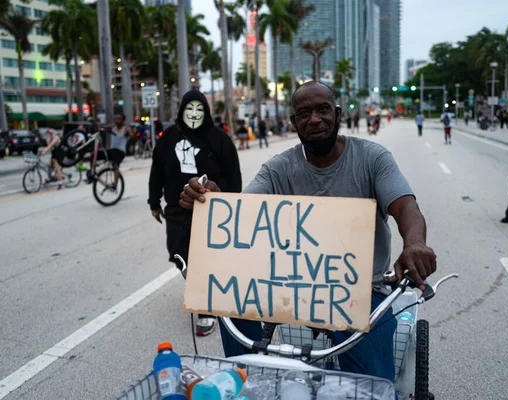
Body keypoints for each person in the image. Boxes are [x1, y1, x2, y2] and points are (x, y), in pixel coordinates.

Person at [179, 81, 437, 382]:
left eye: (323, 110)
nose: (314, 119)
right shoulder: (278, 169)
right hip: (293, 286)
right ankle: (246, 379)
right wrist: (214, 202)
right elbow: (243, 211)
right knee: (232, 304)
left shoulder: (372, 158)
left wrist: (415, 243)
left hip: (362, 290)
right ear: (294, 122)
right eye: (304, 113)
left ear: (337, 114)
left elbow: (406, 207)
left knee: (367, 373)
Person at [148, 89, 242, 336]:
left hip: (212, 211)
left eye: (199, 109)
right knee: (180, 255)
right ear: (182, 111)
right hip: (177, 210)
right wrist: (153, 201)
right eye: (189, 109)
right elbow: (157, 170)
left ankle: (207, 308)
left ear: (206, 112)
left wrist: (233, 205)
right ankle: (202, 290)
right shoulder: (168, 138)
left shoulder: (219, 139)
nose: (194, 114)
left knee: (208, 258)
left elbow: (233, 174)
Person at [108, 114, 133, 187]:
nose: (117, 120)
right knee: (93, 155)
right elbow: (102, 128)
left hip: (120, 152)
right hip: (112, 150)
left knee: (116, 165)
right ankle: (91, 174)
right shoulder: (113, 127)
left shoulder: (125, 129)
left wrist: (130, 133)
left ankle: (115, 185)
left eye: (119, 119)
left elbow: (133, 137)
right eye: (116, 119)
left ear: (123, 121)